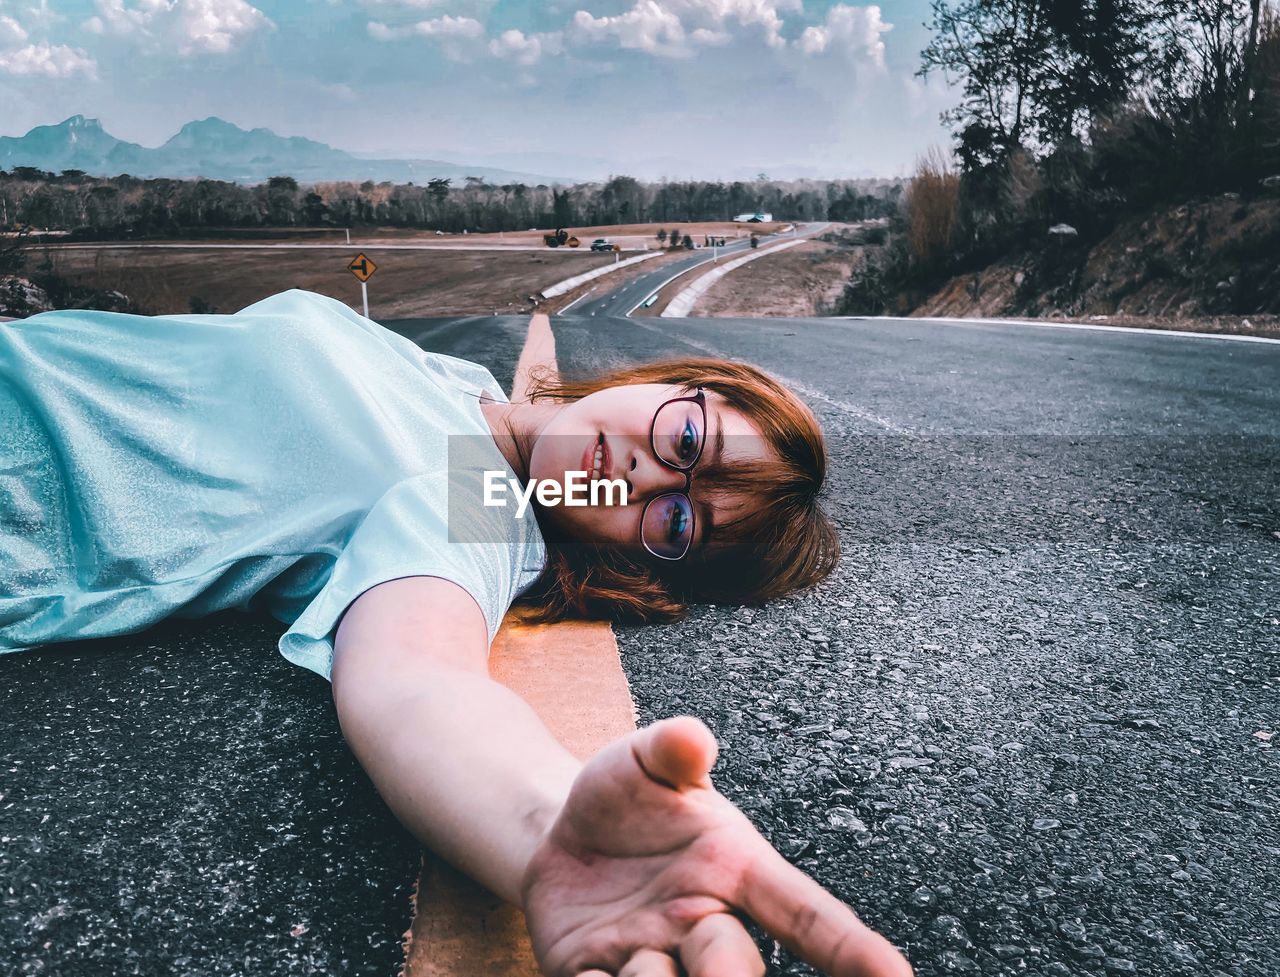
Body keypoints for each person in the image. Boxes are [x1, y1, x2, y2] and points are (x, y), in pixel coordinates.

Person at [0, 289, 911, 977]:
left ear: (644, 566)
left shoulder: (480, 499)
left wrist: (546, 824)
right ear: (675, 384)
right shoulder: (455, 385)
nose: (639, 475)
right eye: (683, 440)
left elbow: (416, 674)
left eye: (674, 523)